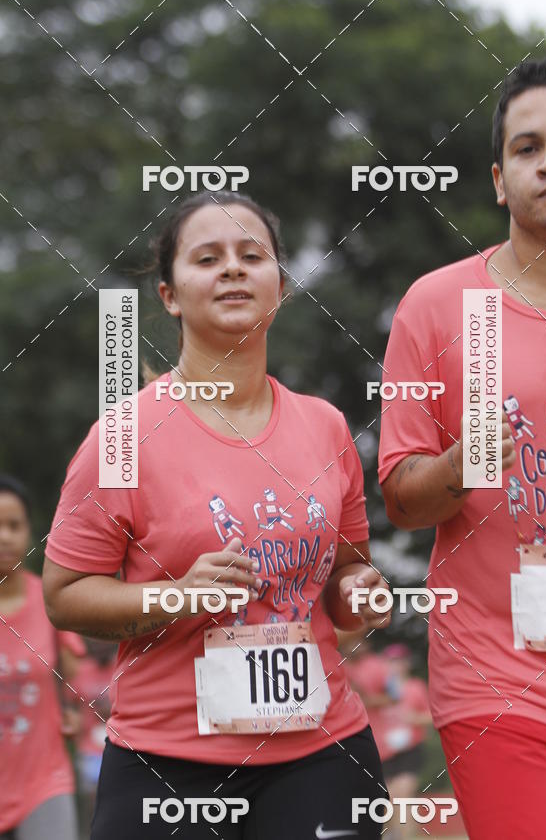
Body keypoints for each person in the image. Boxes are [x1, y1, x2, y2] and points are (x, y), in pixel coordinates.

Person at [42, 191, 392, 839]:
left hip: (321, 755)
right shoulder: (123, 437)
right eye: (207, 259)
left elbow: (345, 579)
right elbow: (64, 596)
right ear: (170, 295)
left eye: (251, 256)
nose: (233, 268)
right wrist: (178, 596)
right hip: (168, 765)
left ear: (280, 286)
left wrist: (361, 593)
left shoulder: (325, 426)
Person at [379, 57, 546, 839]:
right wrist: (456, 467)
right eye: (528, 148)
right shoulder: (439, 306)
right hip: (501, 684)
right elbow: (401, 501)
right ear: (500, 180)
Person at [0, 474, 84, 840]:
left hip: (44, 783)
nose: (4, 537)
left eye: (14, 526)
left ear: (28, 531)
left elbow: (77, 679)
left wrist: (74, 712)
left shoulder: (52, 602)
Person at [341, 635, 431, 840]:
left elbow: (395, 697)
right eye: (392, 660)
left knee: (402, 795)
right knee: (388, 801)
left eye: (399, 661)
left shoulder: (396, 678)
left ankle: (403, 836)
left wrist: (413, 718)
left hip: (408, 748)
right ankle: (394, 834)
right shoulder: (344, 668)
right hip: (381, 751)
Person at [73, 639, 117, 833]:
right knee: (94, 798)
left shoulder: (122, 667)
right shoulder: (81, 671)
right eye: (96, 644)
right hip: (89, 748)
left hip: (117, 745)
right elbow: (70, 704)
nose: (100, 647)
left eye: (104, 643)